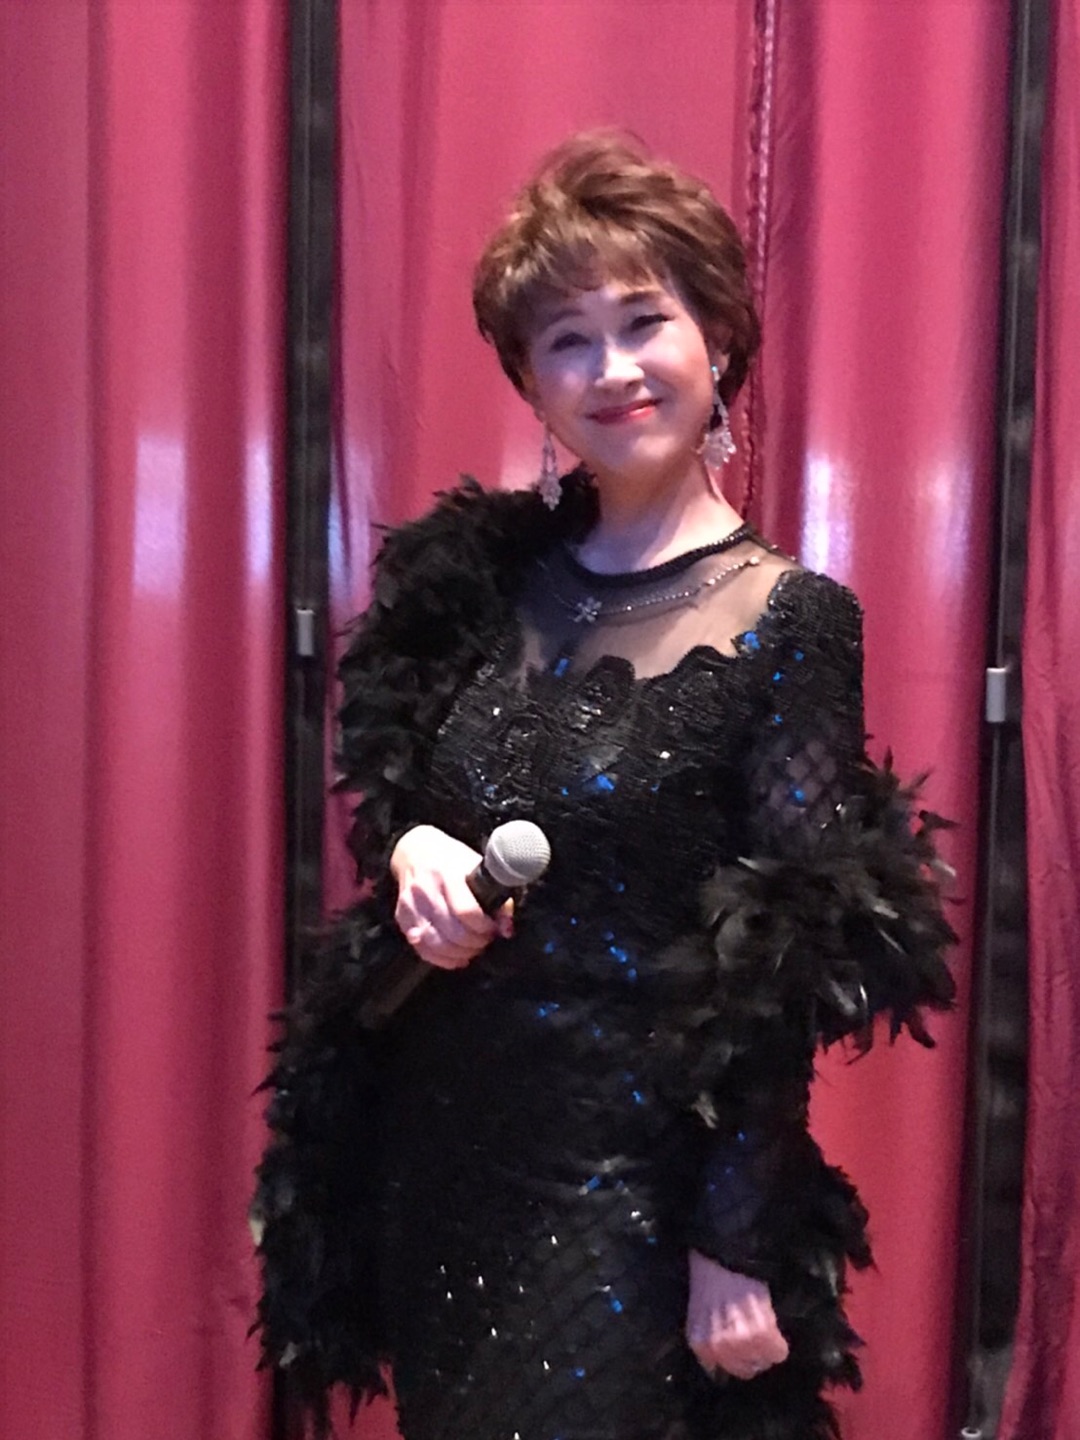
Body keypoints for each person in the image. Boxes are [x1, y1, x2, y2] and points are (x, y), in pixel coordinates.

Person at [252, 132, 956, 1440]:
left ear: (718, 339)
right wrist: (410, 851)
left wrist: (734, 1242)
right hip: (443, 1148)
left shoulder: (792, 621)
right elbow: (398, 789)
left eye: (644, 322)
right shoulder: (477, 580)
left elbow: (786, 954)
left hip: (627, 1185)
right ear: (531, 382)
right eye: (567, 341)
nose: (613, 369)